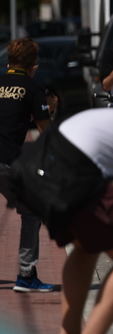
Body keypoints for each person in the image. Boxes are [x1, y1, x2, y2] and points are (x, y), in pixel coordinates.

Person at [9, 106, 113, 334]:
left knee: (86, 247)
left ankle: (68, 331)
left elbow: (108, 196)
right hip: (74, 173)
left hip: (35, 170)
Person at [0, 38, 57, 293]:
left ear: (9, 61)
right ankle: (26, 275)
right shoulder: (34, 88)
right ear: (34, 65)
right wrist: (49, 110)